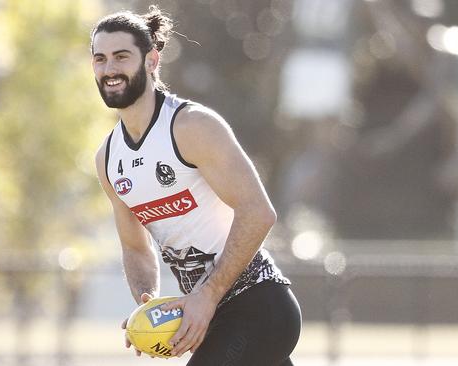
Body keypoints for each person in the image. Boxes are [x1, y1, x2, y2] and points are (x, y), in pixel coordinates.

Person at [91, 5, 301, 365]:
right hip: (213, 317)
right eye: (100, 59)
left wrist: (206, 297)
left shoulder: (191, 127)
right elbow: (136, 248)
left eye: (121, 57)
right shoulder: (108, 158)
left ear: (152, 60)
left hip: (260, 306)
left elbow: (259, 213)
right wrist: (149, 305)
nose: (110, 69)